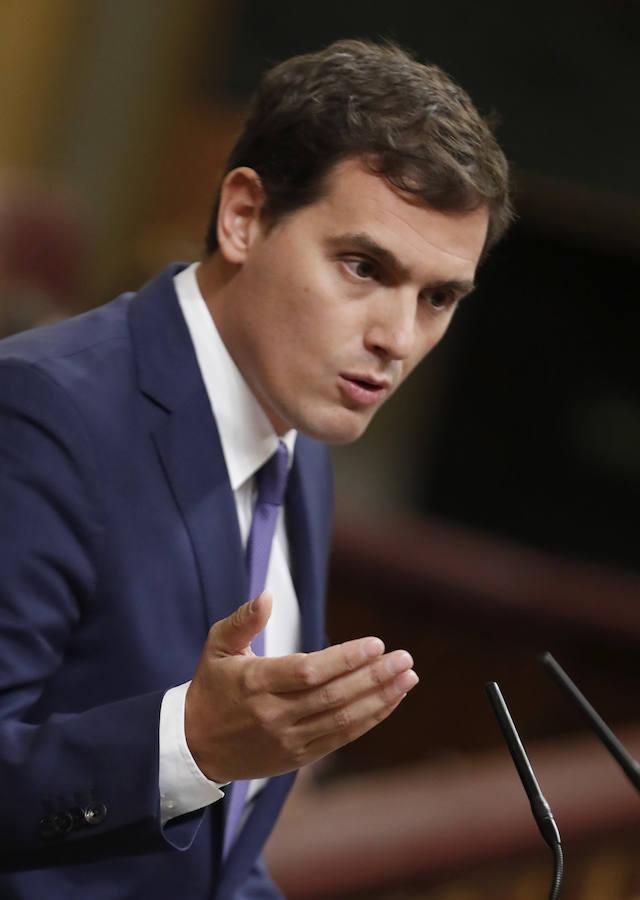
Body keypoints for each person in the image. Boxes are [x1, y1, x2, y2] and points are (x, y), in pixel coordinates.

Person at [0, 39, 511, 900]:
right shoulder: (44, 413)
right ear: (243, 216)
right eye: (363, 266)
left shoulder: (295, 435)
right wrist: (191, 745)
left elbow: (220, 853)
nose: (398, 337)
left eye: (438, 298)